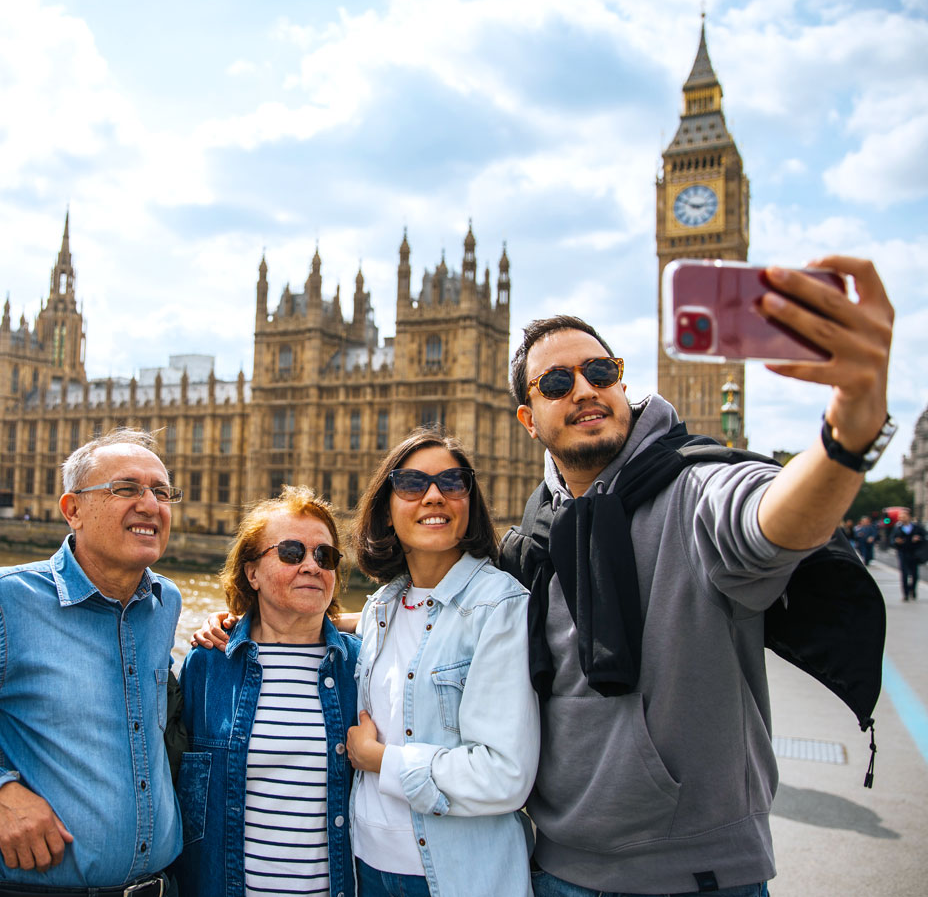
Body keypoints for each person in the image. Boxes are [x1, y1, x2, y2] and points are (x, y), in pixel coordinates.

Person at [501, 257, 894, 896]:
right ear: (528, 417)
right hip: (559, 867)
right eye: (556, 382)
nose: (583, 389)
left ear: (622, 383)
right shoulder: (538, 527)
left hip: (700, 876)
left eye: (601, 371)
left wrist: (847, 433)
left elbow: (764, 518)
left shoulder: (694, 487)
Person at [0, 428, 184, 896]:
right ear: (73, 510)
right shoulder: (3, 602)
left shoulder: (165, 602)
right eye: (126, 489)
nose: (150, 504)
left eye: (161, 492)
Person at [346, 428, 538, 897]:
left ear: (469, 503)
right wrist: (248, 618)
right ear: (386, 511)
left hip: (452, 876)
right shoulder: (380, 608)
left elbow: (505, 776)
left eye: (453, 483)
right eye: (412, 484)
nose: (434, 495)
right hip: (361, 866)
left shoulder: (500, 606)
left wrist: (380, 760)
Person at [176, 485, 359, 897]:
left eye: (325, 556)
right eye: (292, 552)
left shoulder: (363, 667)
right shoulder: (207, 663)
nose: (312, 565)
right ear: (251, 572)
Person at [892, 509, 925, 600]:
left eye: (903, 516)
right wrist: (896, 541)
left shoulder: (917, 527)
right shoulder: (897, 528)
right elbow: (892, 539)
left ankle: (912, 589)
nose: (901, 518)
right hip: (903, 553)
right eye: (900, 517)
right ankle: (905, 594)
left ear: (908, 517)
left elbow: (924, 536)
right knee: (904, 574)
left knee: (915, 574)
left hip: (914, 553)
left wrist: (918, 538)